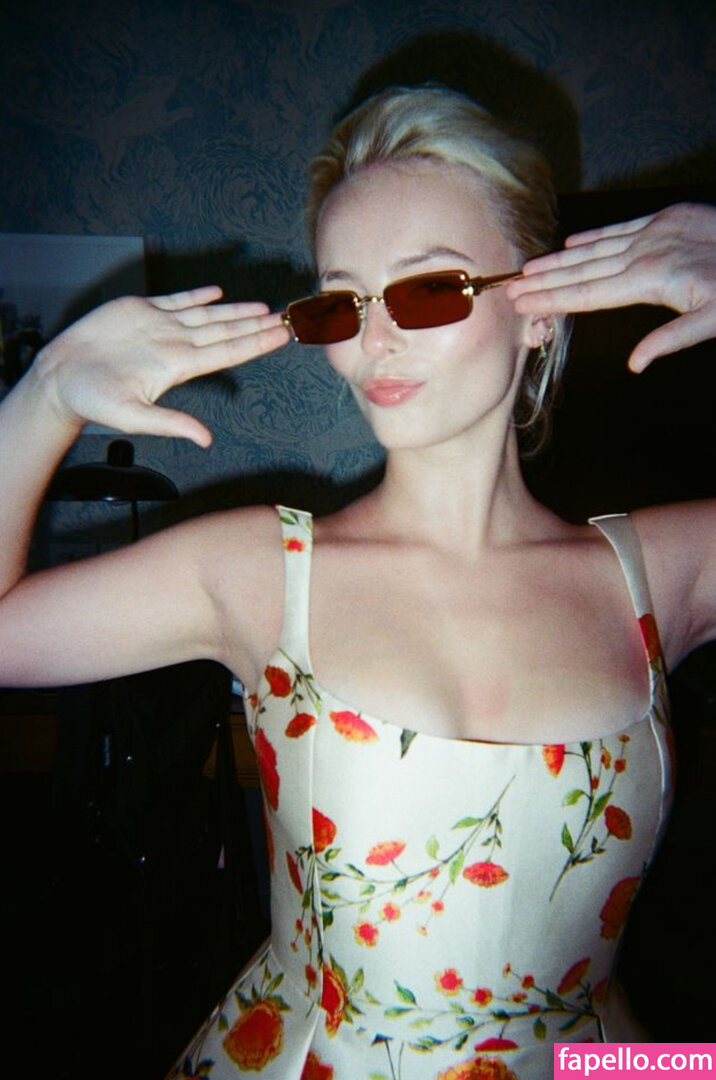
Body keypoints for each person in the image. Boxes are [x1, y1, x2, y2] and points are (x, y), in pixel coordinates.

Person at [1, 85, 715, 1080]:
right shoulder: (261, 572)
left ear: (540, 309)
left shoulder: (663, 570)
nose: (374, 341)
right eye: (342, 302)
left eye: (427, 289)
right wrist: (45, 394)